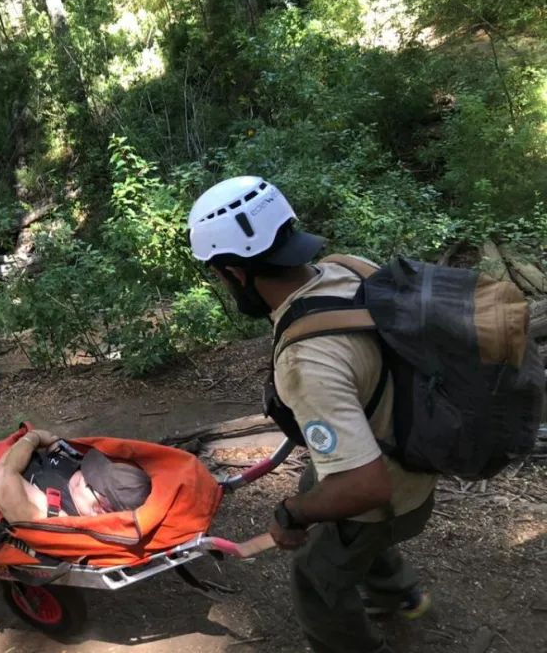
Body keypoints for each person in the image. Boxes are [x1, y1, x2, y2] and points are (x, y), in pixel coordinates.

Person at [186, 176, 438, 653]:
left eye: (218, 274)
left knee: (314, 579)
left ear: (236, 272)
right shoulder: (350, 269)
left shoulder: (307, 361)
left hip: (392, 485)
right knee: (316, 489)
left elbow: (365, 487)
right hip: (411, 441)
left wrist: (290, 515)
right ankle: (399, 593)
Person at [0, 429, 152, 522]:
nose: (83, 474)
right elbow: (55, 444)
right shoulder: (80, 476)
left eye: (90, 482)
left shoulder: (52, 514)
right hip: (10, 454)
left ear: (100, 510)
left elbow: (0, 474)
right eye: (89, 470)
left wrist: (33, 438)